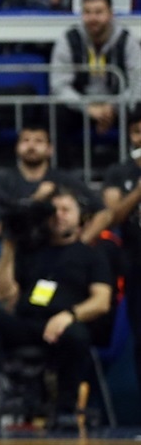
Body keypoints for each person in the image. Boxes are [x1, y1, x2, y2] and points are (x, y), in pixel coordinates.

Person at [0, 189, 112, 428]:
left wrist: (69, 315)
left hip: (64, 326)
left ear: (80, 217)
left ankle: (65, 408)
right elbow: (1, 294)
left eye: (66, 210)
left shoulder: (91, 255)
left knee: (76, 334)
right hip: (27, 323)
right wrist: (9, 246)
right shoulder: (31, 250)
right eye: (54, 210)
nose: (59, 215)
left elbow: (102, 301)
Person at [0, 124, 106, 239]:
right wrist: (36, 199)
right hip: (19, 246)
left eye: (39, 141)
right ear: (16, 147)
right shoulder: (3, 181)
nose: (31, 146)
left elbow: (102, 211)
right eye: (25, 140)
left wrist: (83, 241)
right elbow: (1, 225)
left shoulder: (64, 179)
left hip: (59, 246)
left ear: (50, 149)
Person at [50, 0, 141, 136]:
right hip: (80, 107)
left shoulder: (127, 40)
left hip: (119, 106)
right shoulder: (69, 39)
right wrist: (88, 108)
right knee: (55, 112)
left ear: (110, 13)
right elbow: (59, 85)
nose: (92, 18)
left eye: (98, 12)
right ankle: (62, 153)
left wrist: (112, 108)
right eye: (87, 12)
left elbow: (138, 83)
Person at [101, 116, 141, 400]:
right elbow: (111, 216)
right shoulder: (119, 172)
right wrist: (138, 191)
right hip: (135, 266)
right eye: (137, 132)